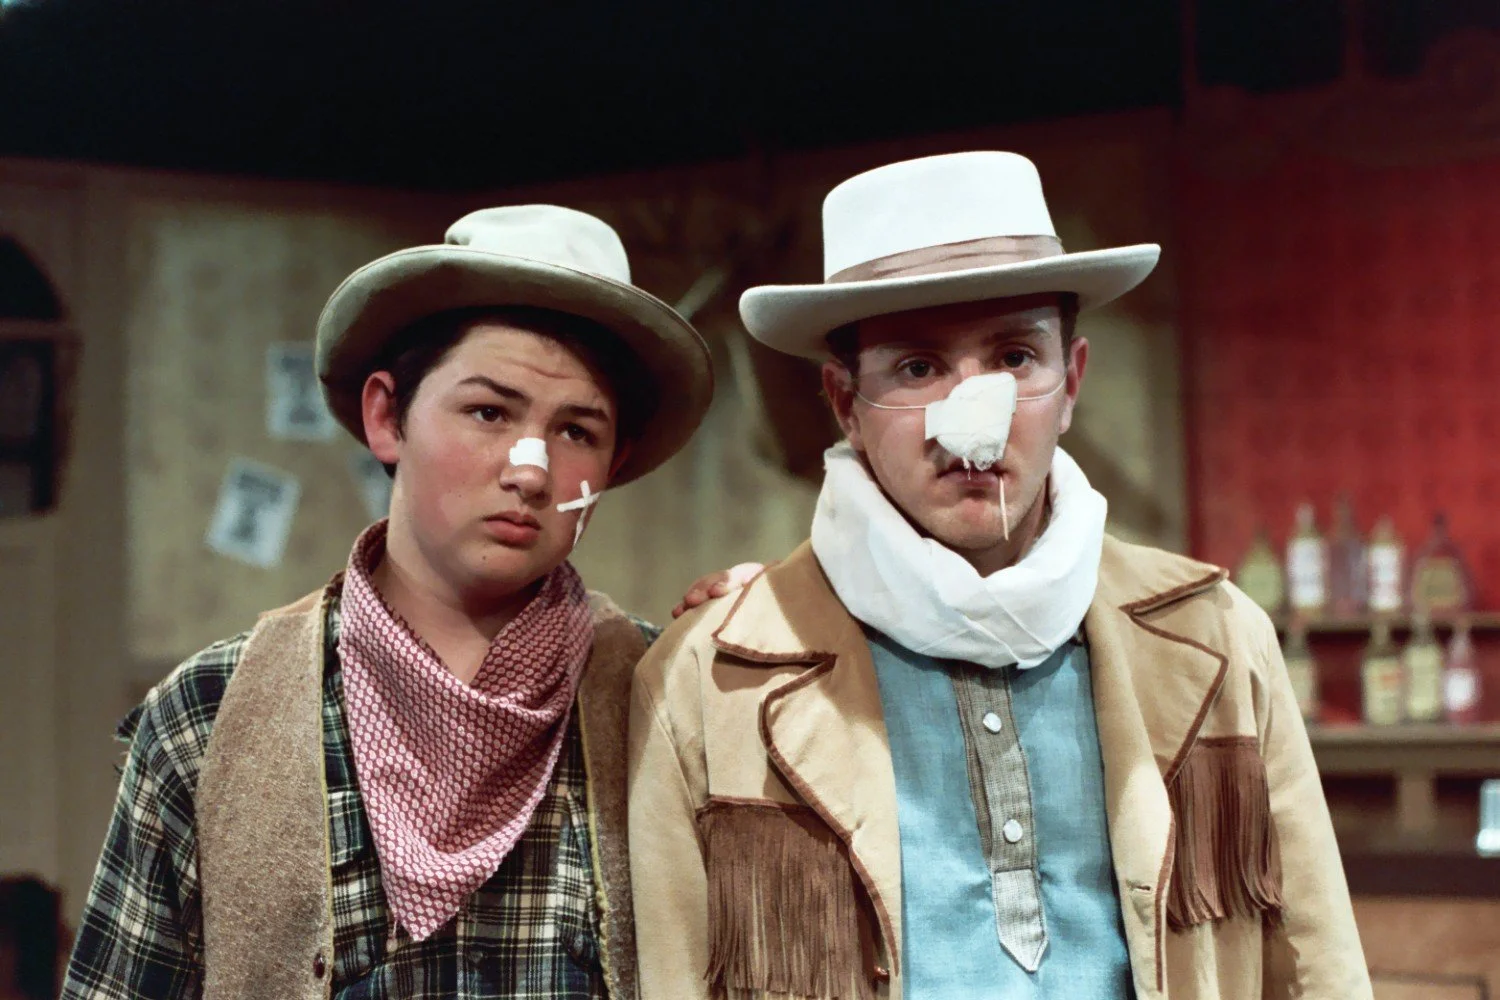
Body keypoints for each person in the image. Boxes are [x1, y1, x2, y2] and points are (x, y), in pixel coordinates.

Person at [628, 153, 1372, 1000]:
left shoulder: (1215, 635)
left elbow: (1315, 964)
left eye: (1015, 358)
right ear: (845, 402)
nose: (969, 418)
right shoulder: (712, 675)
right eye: (917, 369)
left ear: (1071, 382)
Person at [64, 205, 750, 1000]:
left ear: (613, 461)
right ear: (387, 415)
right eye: (488, 412)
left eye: (576, 431)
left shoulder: (661, 699)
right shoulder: (214, 713)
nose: (530, 471)